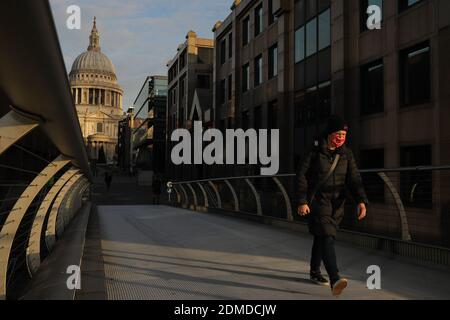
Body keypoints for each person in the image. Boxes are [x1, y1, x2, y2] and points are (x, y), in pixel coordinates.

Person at [297, 115, 369, 296]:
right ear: (329, 133)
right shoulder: (314, 151)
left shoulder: (346, 153)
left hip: (337, 204)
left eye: (344, 134)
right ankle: (335, 278)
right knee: (327, 236)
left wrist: (361, 201)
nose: (341, 138)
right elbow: (301, 176)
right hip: (318, 201)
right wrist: (302, 201)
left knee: (322, 237)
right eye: (338, 133)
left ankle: (314, 272)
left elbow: (354, 179)